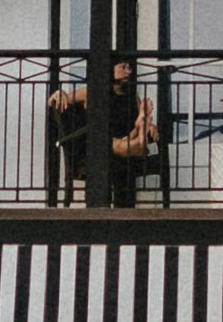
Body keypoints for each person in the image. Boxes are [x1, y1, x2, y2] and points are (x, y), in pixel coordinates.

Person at [47, 52, 160, 206]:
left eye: (130, 68)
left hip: (126, 139)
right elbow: (58, 101)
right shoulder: (93, 92)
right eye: (123, 67)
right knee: (120, 149)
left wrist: (151, 127)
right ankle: (139, 135)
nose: (129, 71)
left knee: (127, 145)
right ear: (110, 70)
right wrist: (58, 94)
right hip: (101, 143)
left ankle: (139, 131)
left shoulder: (133, 97)